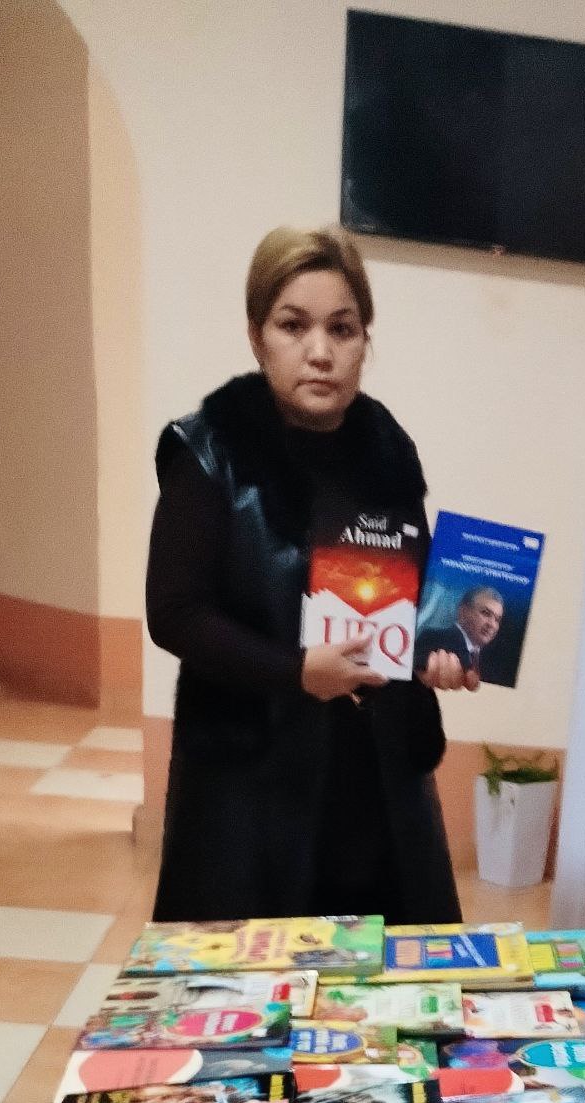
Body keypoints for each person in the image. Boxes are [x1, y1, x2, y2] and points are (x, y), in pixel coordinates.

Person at [147, 225, 475, 925]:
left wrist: (440, 653)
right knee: (253, 973)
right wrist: (297, 671)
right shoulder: (208, 451)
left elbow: (409, 600)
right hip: (250, 779)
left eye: (342, 329)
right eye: (293, 326)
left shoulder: (386, 447)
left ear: (365, 340)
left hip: (373, 772)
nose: (320, 352)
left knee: (385, 972)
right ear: (256, 336)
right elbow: (174, 613)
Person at [415, 582, 506, 682]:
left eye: (497, 619)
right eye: (486, 613)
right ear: (463, 611)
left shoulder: (492, 663)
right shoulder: (433, 639)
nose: (492, 625)